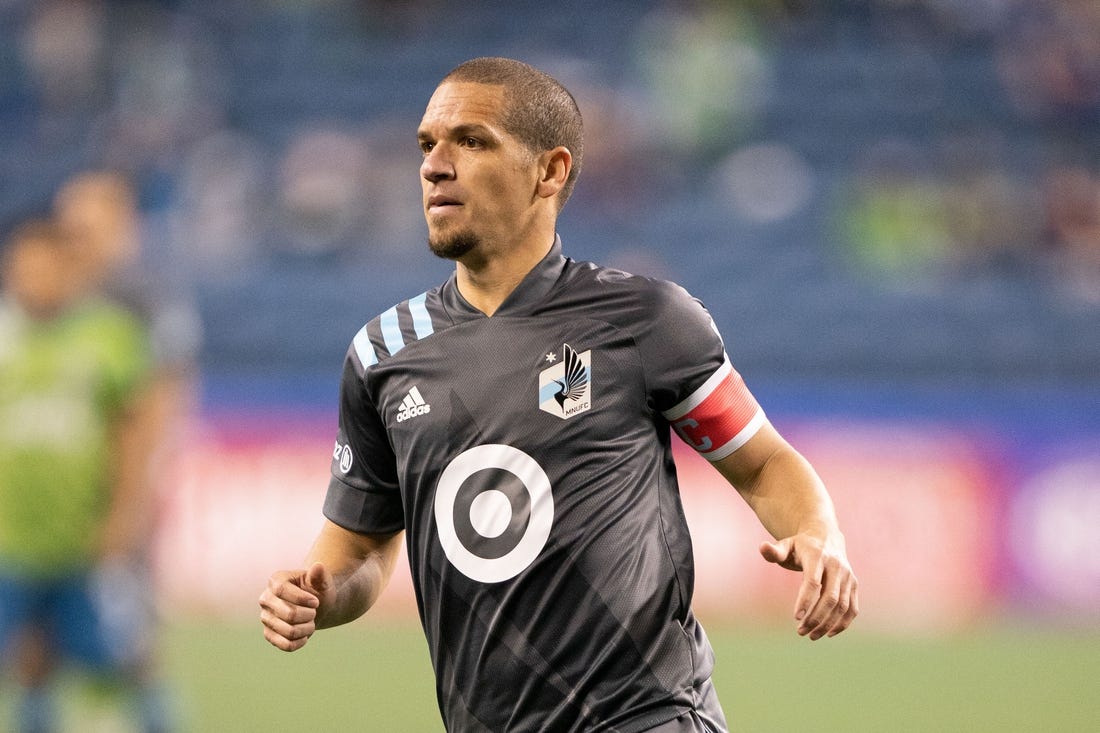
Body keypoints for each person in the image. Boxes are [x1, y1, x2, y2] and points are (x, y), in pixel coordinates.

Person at [259, 57, 859, 733]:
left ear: (550, 171)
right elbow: (359, 551)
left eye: (472, 141)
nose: (435, 165)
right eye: (428, 144)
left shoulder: (646, 321)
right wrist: (317, 592)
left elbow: (763, 463)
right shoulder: (382, 353)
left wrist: (819, 535)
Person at [0, 218, 173, 733]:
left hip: (89, 537)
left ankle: (160, 722)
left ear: (69, 269)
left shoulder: (110, 335)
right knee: (29, 654)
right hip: (12, 538)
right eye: (22, 266)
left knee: (126, 653)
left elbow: (137, 430)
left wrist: (124, 514)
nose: (33, 277)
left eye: (45, 265)